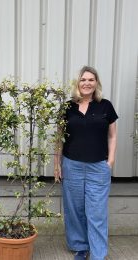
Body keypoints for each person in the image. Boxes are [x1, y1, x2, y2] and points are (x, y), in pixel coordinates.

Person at [54, 66, 118, 260]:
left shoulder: (105, 106)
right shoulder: (67, 107)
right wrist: (57, 164)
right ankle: (80, 247)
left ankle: (98, 253)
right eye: (83, 79)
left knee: (96, 212)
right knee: (74, 210)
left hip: (98, 167)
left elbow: (113, 136)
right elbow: (59, 138)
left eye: (91, 79)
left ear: (96, 83)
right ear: (78, 83)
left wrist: (111, 160)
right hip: (71, 165)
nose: (87, 83)